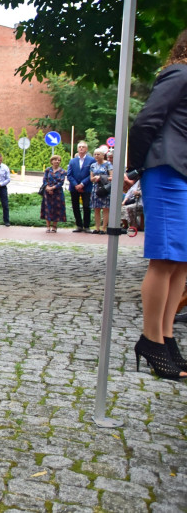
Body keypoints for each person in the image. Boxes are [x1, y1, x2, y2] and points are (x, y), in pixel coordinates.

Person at [125, 29, 187, 380]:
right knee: (165, 259)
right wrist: (135, 167)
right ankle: (151, 340)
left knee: (181, 262)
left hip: (181, 173)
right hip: (166, 171)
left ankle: (166, 338)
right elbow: (146, 121)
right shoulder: (179, 73)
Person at [67, 141, 93, 233]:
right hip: (74, 188)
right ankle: (79, 225)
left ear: (86, 149)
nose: (81, 148)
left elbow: (91, 175)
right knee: (75, 206)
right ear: (77, 149)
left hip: (86, 187)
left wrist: (82, 184)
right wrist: (76, 185)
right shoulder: (72, 161)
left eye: (83, 147)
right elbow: (69, 175)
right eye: (79, 147)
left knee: (86, 206)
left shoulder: (91, 160)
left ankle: (86, 226)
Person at [40, 154, 67, 233]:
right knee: (47, 208)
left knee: (56, 209)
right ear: (52, 161)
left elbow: (61, 182)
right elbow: (44, 180)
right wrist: (47, 187)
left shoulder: (62, 171)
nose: (57, 162)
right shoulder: (48, 170)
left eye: (59, 160)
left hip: (57, 193)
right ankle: (48, 226)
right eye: (55, 160)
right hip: (47, 192)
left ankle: (54, 226)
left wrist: (53, 188)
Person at [89, 146, 112, 234]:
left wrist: (101, 177)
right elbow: (91, 178)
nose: (96, 156)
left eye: (98, 154)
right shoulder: (93, 165)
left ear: (103, 155)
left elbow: (112, 177)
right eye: (95, 154)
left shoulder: (108, 164)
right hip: (96, 188)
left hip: (105, 188)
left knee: (105, 208)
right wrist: (94, 178)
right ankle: (97, 227)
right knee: (96, 208)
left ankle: (104, 228)